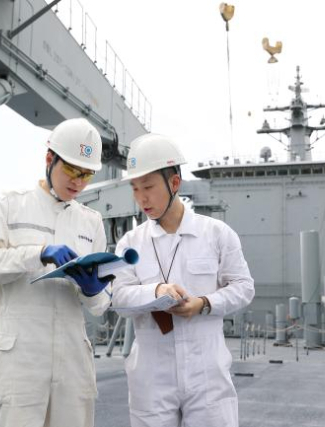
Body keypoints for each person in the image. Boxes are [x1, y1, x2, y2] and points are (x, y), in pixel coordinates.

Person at [0, 118, 113, 427]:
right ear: (49, 159)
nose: (79, 182)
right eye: (72, 170)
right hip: (19, 360)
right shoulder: (9, 206)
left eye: (86, 174)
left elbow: (100, 306)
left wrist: (93, 289)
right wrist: (37, 253)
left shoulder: (91, 222)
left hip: (72, 361)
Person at [112, 133, 255, 427]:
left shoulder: (217, 234)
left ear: (174, 183)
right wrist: (156, 291)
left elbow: (243, 287)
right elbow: (119, 298)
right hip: (151, 377)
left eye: (149, 187)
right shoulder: (130, 243)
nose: (142, 198)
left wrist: (204, 303)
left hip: (207, 374)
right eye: (135, 189)